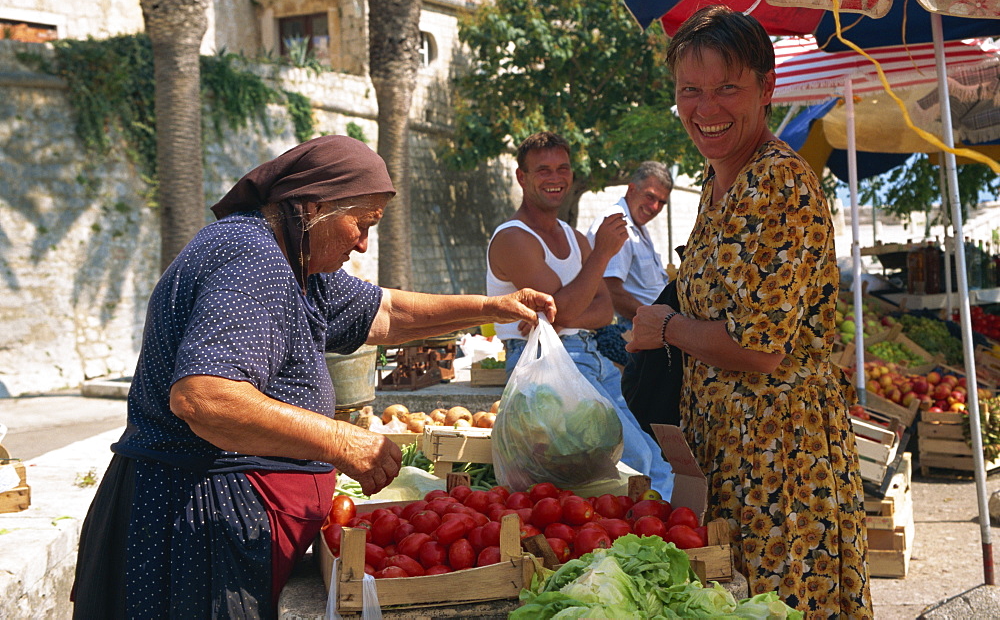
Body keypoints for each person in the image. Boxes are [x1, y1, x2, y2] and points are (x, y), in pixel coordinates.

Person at [71, 135, 556, 619]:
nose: (364, 243)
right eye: (361, 224)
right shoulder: (254, 261)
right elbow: (204, 397)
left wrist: (492, 308)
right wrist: (343, 442)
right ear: (313, 207)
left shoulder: (295, 262)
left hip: (211, 516)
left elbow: (388, 311)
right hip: (195, 525)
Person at [626, 6, 873, 617]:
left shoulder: (779, 184)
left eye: (726, 88)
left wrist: (665, 328)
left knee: (781, 604)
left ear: (767, 89)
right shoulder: (719, 183)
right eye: (691, 91)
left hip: (779, 456)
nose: (706, 108)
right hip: (728, 451)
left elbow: (761, 348)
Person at [486, 131, 674, 496]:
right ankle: (653, 538)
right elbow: (566, 308)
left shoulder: (574, 237)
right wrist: (601, 255)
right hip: (545, 364)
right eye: (543, 170)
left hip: (588, 357)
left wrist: (558, 313)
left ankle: (660, 539)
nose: (555, 178)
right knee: (638, 461)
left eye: (563, 168)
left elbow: (602, 311)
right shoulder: (513, 238)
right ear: (521, 177)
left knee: (656, 456)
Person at [586, 161, 672, 367]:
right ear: (632, 189)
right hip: (628, 332)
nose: (655, 207)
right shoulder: (616, 223)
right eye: (650, 197)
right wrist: (660, 322)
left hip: (647, 329)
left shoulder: (636, 225)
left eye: (661, 202)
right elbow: (610, 291)